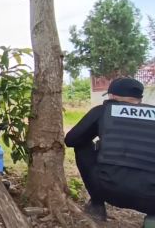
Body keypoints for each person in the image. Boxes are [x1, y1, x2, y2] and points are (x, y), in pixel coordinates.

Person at [65, 77, 155, 227]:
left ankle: (97, 204)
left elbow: (72, 140)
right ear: (139, 98)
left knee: (82, 146)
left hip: (110, 191)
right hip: (152, 198)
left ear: (112, 96)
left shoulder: (103, 110)